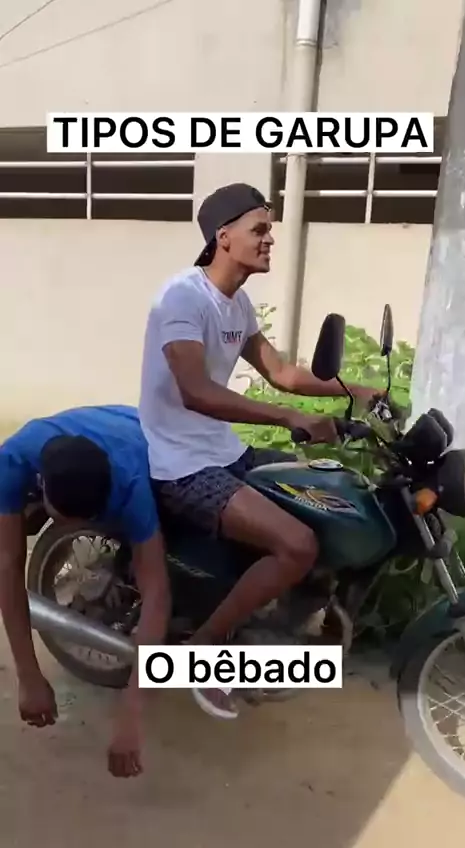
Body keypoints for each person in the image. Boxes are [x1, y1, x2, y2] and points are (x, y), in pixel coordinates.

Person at [138, 182, 378, 719]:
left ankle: (280, 621)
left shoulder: (236, 302)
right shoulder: (183, 298)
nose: (270, 240)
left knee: (322, 496)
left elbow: (283, 372)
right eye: (260, 230)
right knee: (297, 545)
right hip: (180, 461)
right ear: (223, 237)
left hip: (222, 450)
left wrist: (359, 391)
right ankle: (204, 653)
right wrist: (290, 417)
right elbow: (195, 391)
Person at [0, 403, 170, 778]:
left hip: (144, 433)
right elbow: (7, 567)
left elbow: (157, 592)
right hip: (96, 435)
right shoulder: (10, 462)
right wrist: (28, 676)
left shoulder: (130, 481)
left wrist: (132, 715)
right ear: (40, 487)